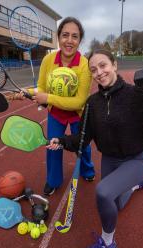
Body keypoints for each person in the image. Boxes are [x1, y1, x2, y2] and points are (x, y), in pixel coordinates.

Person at [47, 49, 143, 248]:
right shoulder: (93, 104)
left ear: (114, 65)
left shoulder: (138, 95)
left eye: (103, 65)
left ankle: (107, 242)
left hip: (136, 160)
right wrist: (62, 141)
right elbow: (83, 139)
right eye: (93, 69)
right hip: (110, 159)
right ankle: (133, 186)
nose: (99, 72)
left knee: (103, 193)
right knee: (116, 205)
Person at [15, 17, 95, 196]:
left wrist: (47, 97)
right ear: (58, 37)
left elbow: (80, 101)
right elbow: (41, 87)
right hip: (56, 113)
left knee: (83, 146)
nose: (69, 40)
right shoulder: (48, 59)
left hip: (77, 113)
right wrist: (26, 91)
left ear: (80, 40)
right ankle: (53, 180)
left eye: (75, 36)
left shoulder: (84, 65)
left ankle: (87, 170)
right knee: (53, 146)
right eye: (65, 35)